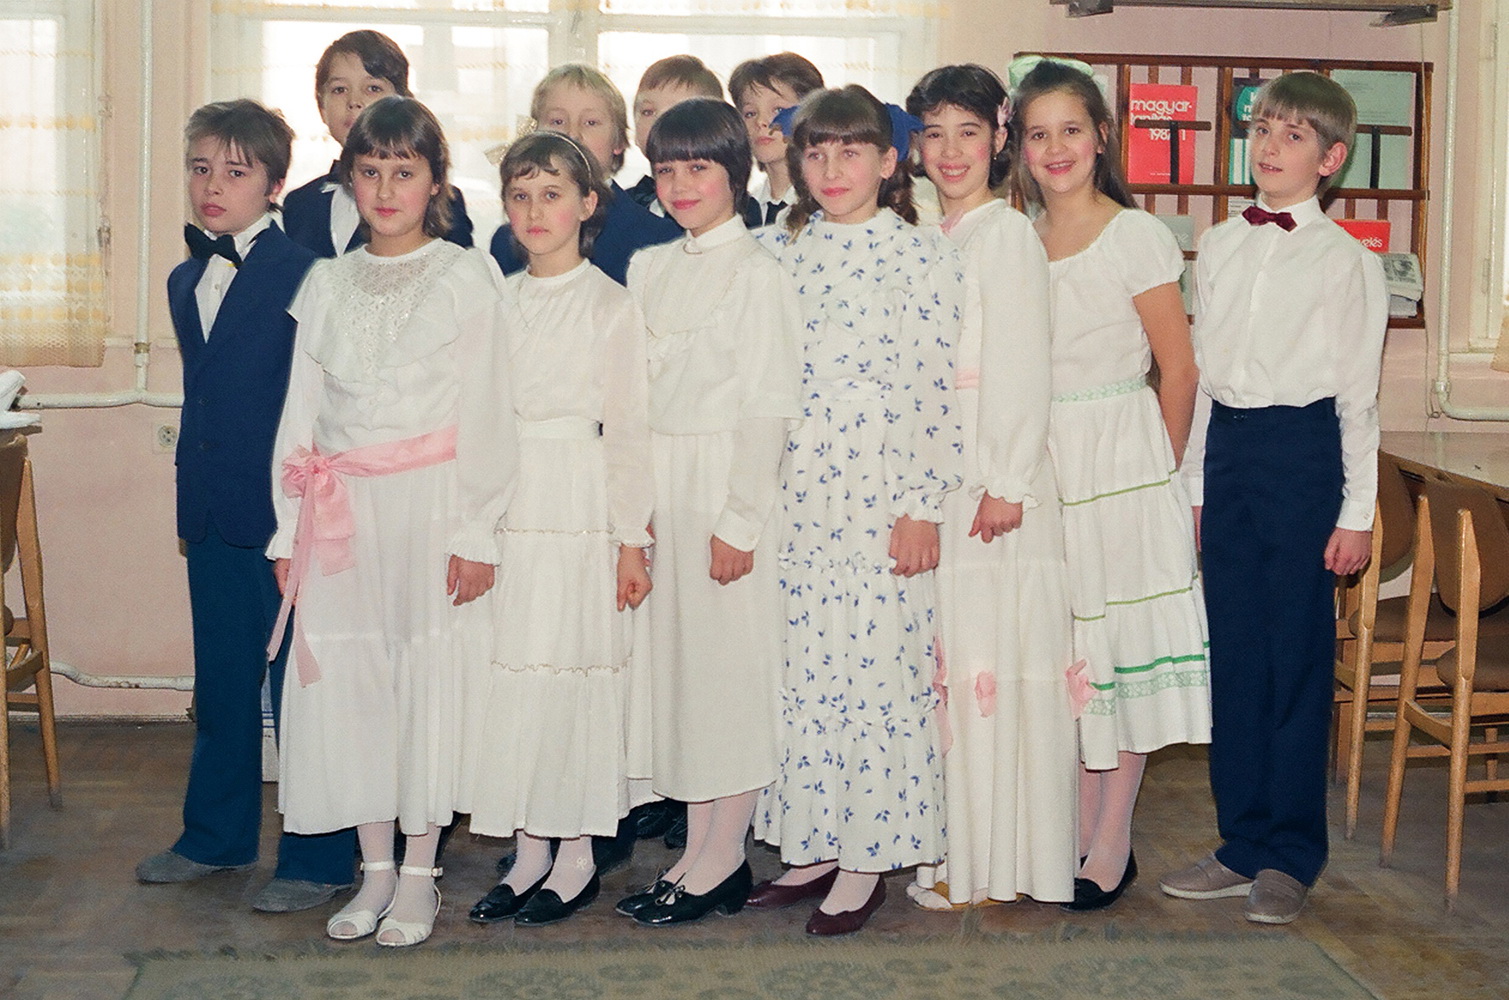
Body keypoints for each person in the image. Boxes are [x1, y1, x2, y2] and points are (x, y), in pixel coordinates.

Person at [268, 95, 518, 948]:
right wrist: (287, 528)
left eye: (403, 173)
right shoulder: (326, 282)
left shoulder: (463, 275)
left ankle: (417, 873)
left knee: (423, 681)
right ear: (349, 179)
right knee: (354, 685)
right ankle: (372, 870)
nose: (384, 190)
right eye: (369, 172)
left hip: (430, 505)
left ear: (435, 182)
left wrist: (477, 531)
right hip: (342, 513)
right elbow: (300, 414)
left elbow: (489, 411)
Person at [1160, 71, 1386, 925]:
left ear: (1329, 159)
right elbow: (1204, 377)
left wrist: (1354, 512)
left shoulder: (1347, 262)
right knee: (1234, 655)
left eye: (1292, 135)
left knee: (1293, 659)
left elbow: (1358, 396)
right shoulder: (1219, 245)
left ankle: (1290, 854)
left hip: (1303, 454)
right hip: (1229, 454)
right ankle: (1240, 843)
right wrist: (1193, 486)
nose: (1269, 147)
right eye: (1261, 130)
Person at [748, 84, 964, 936]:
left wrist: (919, 506)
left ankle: (868, 855)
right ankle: (816, 842)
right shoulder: (779, 250)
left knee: (874, 669)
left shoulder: (919, 254)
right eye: (816, 152)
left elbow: (931, 387)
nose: (832, 168)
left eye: (850, 151)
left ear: (887, 160)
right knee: (806, 668)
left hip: (877, 480)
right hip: (798, 483)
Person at [136, 99, 358, 916]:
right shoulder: (184, 278)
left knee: (300, 689)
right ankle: (214, 837)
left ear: (273, 185)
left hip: (286, 518)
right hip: (211, 511)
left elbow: (322, 400)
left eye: (235, 171)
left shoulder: (310, 272)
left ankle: (319, 855)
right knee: (223, 683)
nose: (213, 186)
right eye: (201, 168)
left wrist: (308, 509)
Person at [1009, 55, 1211, 912]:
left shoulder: (1134, 236)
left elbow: (1179, 369)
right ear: (1020, 148)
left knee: (1120, 654)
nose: (1055, 148)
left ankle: (1111, 838)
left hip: (1122, 461)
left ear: (1100, 137)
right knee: (1066, 655)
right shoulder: (1014, 238)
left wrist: (1157, 476)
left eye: (1070, 129)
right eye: (1037, 134)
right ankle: (1069, 828)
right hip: (1043, 460)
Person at [616, 98, 803, 926]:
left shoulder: (760, 272)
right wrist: (635, 510)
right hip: (662, 483)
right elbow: (628, 400)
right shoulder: (649, 267)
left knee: (727, 676)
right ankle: (694, 850)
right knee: (680, 679)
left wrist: (739, 521)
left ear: (735, 172)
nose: (681, 184)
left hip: (725, 485)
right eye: (666, 169)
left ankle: (725, 852)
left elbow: (770, 404)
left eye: (699, 167)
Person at [461, 130, 655, 928]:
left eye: (551, 195)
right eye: (520, 196)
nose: (534, 211)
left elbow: (630, 430)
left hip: (579, 502)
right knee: (518, 673)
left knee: (574, 668)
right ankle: (530, 847)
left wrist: (631, 538)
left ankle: (576, 853)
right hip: (513, 500)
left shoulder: (611, 305)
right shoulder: (496, 302)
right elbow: (477, 422)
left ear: (586, 204)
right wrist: (474, 528)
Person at [904, 64, 1076, 910]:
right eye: (934, 133)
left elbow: (1020, 363)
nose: (950, 151)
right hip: (946, 471)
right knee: (956, 662)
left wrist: (1005, 480)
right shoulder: (935, 235)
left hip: (991, 479)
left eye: (967, 132)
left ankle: (995, 865)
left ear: (998, 138)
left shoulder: (1005, 234)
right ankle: (957, 852)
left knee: (992, 663)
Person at [282, 30, 473, 256]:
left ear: (402, 102)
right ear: (322, 107)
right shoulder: (300, 204)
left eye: (373, 88)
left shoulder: (438, 201)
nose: (354, 101)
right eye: (339, 90)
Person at [489, 64, 680, 285]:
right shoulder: (509, 242)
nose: (573, 135)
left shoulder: (659, 239)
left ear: (618, 141)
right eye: (557, 122)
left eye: (591, 123)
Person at [728, 53, 824, 227]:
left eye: (778, 110)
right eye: (750, 113)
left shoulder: (826, 204)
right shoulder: (741, 211)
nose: (761, 122)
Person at [625, 55, 725, 213]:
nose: (659, 123)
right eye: (648, 112)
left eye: (677, 112)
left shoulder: (734, 208)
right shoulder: (623, 206)